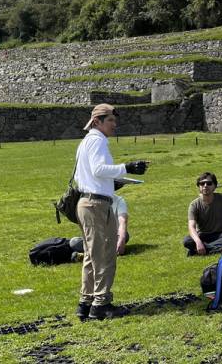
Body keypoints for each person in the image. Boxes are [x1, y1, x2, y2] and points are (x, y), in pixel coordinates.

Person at [74, 104, 148, 321]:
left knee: (91, 255)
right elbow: (98, 169)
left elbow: (85, 177)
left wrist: (111, 184)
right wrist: (128, 167)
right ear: (97, 121)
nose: (115, 125)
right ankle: (101, 304)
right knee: (105, 255)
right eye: (111, 121)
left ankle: (85, 302)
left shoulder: (85, 142)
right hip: (96, 205)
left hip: (87, 201)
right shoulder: (97, 140)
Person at [183, 172, 222, 256]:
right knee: (187, 241)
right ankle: (220, 249)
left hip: (220, 234)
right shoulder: (194, 204)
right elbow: (191, 227)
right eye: (202, 183)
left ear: (215, 186)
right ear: (199, 186)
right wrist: (198, 242)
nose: (205, 186)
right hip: (202, 236)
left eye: (209, 183)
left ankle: (198, 251)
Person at [70, 180, 130, 261]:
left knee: (125, 235)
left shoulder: (119, 200)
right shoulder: (91, 201)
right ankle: (103, 252)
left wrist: (122, 238)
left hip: (111, 236)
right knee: (74, 242)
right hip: (95, 237)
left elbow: (123, 221)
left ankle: (88, 254)